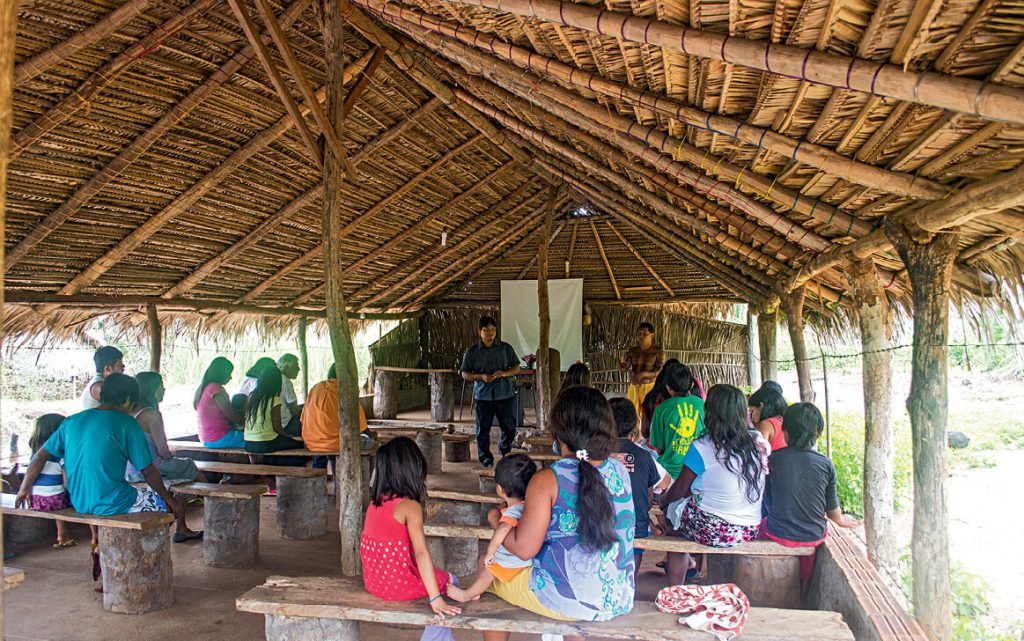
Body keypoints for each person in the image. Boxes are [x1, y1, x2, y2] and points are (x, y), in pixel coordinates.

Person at [481, 385, 634, 639]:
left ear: (560, 433)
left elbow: (523, 549)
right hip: (618, 594)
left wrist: (496, 521)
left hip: (567, 600)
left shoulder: (547, 479)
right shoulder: (619, 470)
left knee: (491, 577)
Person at [16, 374, 196, 543]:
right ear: (127, 400)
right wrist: (169, 500)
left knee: (141, 493)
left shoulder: (71, 421)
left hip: (80, 502)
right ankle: (138, 547)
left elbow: (39, 456)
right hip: (114, 502)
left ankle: (111, 547)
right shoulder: (127, 424)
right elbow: (148, 471)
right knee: (170, 504)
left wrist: (23, 489)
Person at [659, 384, 769, 586]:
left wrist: (663, 501)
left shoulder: (702, 446)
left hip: (715, 530)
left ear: (709, 412)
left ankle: (676, 587)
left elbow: (681, 489)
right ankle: (692, 566)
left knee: (672, 522)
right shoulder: (758, 442)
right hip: (749, 528)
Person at [360, 437, 461, 640]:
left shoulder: (374, 504)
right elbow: (421, 554)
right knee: (450, 583)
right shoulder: (409, 507)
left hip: (373, 582)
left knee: (439, 582)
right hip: (397, 586)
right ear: (413, 469)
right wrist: (435, 598)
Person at [761, 403, 855, 599]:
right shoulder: (826, 464)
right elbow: (832, 512)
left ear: (785, 432)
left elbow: (768, 500)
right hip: (813, 534)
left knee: (759, 526)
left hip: (778, 532)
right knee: (806, 542)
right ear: (817, 433)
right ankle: (802, 594)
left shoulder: (773, 459)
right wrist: (841, 521)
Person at [447, 454, 537, 603]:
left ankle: (466, 595)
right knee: (482, 559)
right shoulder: (526, 506)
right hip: (522, 559)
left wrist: (491, 551)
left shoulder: (513, 512)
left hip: (510, 562)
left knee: (489, 570)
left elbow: (503, 528)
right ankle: (477, 590)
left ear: (500, 489)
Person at [609, 398, 670, 577]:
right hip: (636, 526)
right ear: (634, 424)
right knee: (635, 545)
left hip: (602, 524)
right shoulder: (644, 455)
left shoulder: (596, 453)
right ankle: (631, 580)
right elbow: (664, 484)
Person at [460, 316, 520, 467]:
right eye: (486, 330)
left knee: (509, 427)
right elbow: (464, 373)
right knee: (482, 430)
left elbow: (517, 367)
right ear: (479, 331)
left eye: (493, 329)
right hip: (483, 396)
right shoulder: (473, 352)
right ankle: (485, 457)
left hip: (505, 394)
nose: (490, 333)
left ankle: (505, 450)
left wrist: (505, 373)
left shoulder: (505, 348)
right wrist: (480, 377)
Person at [127, 372, 200, 485]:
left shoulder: (128, 413)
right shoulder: (152, 415)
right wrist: (170, 456)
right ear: (152, 390)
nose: (164, 389)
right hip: (151, 469)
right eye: (161, 386)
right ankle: (209, 494)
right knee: (190, 465)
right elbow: (163, 451)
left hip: (131, 471)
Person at [301, 363, 373, 469]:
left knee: (326, 446)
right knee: (371, 445)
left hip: (312, 442)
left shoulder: (316, 388)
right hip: (338, 443)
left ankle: (319, 473)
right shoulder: (346, 391)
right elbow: (362, 427)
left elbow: (302, 418)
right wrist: (373, 437)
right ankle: (361, 478)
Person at [648, 362, 705, 479]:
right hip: (698, 472)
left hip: (669, 474)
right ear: (692, 385)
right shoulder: (703, 405)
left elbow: (659, 450)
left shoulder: (661, 410)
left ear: (668, 387)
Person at [26, 414, 75, 549]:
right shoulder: (60, 456)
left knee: (55, 495)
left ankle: (62, 534)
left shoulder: (34, 456)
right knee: (70, 497)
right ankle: (63, 534)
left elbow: (31, 478)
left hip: (36, 500)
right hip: (55, 501)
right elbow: (67, 484)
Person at [244, 365, 303, 455]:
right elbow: (277, 427)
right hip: (267, 443)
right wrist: (287, 436)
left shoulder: (252, 397)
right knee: (300, 445)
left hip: (248, 444)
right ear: (277, 383)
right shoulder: (274, 399)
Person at [194, 356, 245, 448]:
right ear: (221, 373)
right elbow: (232, 416)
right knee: (255, 440)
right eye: (229, 374)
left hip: (206, 438)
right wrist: (247, 419)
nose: (231, 377)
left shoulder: (203, 388)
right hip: (218, 438)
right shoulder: (216, 389)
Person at [618, 322, 664, 419]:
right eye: (639, 334)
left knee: (648, 415)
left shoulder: (658, 351)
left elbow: (660, 371)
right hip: (633, 387)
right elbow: (625, 368)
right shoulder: (633, 351)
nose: (641, 336)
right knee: (632, 416)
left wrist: (644, 374)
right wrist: (622, 365)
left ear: (652, 335)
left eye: (644, 334)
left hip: (649, 388)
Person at [80, 345, 124, 409]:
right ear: (107, 369)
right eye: (120, 363)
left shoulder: (103, 382)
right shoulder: (98, 386)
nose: (123, 366)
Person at [748, 386, 788, 452]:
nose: (751, 416)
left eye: (752, 411)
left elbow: (757, 452)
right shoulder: (783, 420)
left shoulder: (766, 424)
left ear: (761, 406)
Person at [276, 354, 302, 437]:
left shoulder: (276, 378)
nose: (299, 369)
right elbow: (294, 411)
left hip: (276, 424)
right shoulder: (285, 381)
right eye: (296, 366)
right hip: (286, 425)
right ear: (286, 367)